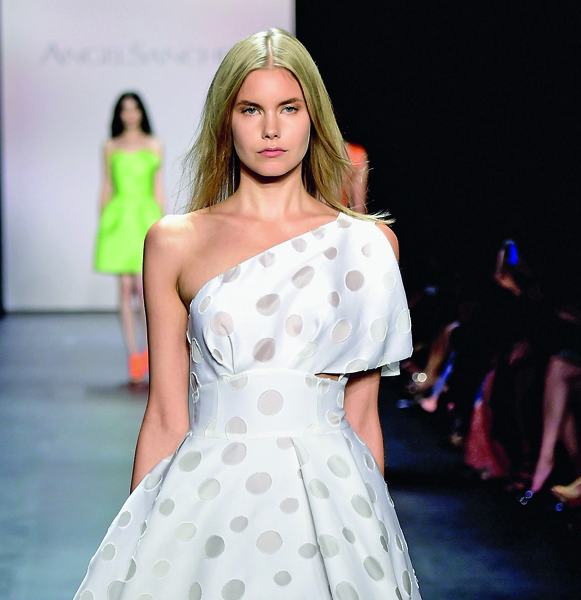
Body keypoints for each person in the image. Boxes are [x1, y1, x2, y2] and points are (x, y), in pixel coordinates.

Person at [75, 29, 421, 600]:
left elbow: (362, 420)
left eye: (289, 108)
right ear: (225, 120)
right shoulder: (175, 242)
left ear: (314, 118)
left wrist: (373, 541)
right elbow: (165, 415)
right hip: (208, 500)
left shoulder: (369, 246)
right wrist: (137, 550)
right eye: (251, 109)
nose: (270, 128)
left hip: (333, 503)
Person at [94, 92, 165, 383]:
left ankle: (152, 353)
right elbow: (107, 186)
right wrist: (103, 223)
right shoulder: (110, 147)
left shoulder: (154, 145)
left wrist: (164, 225)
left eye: (134, 109)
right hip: (120, 218)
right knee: (125, 288)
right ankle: (134, 355)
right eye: (125, 109)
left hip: (145, 216)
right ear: (119, 114)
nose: (130, 114)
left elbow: (158, 188)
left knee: (143, 287)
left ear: (141, 112)